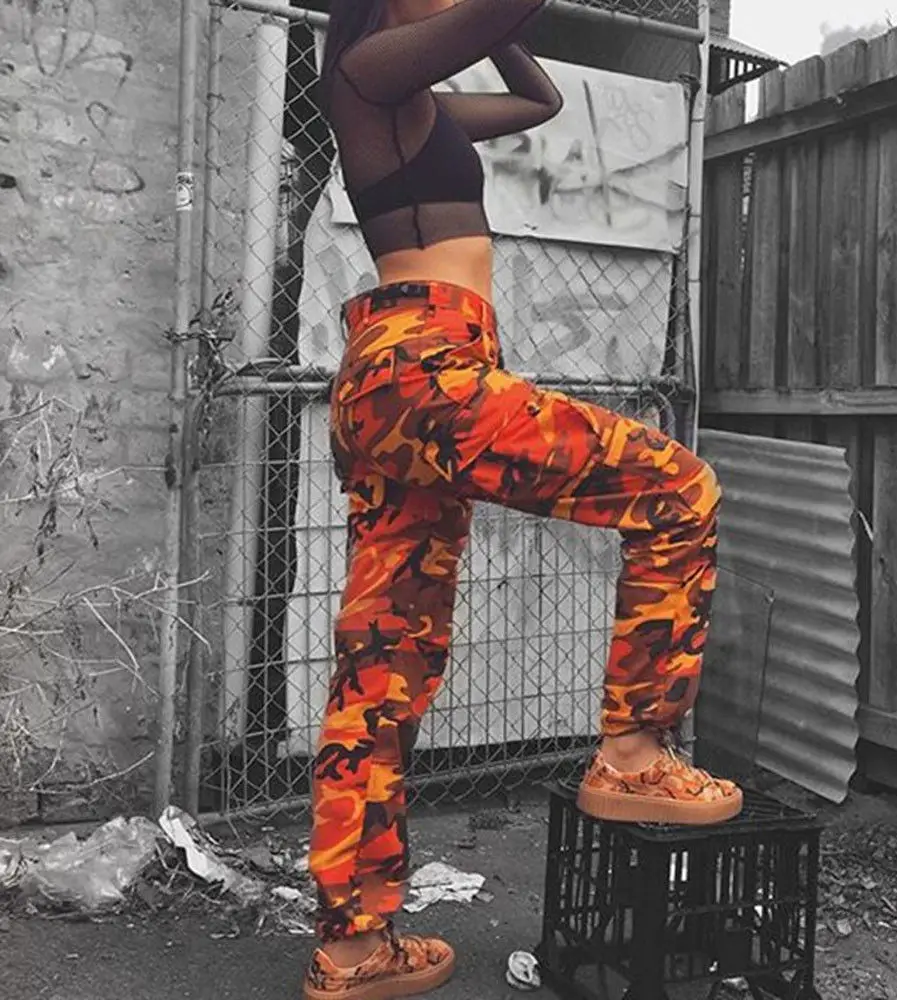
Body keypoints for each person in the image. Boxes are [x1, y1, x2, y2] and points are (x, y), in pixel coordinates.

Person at [305, 1, 742, 997]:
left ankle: (353, 950)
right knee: (678, 488)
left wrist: (489, 36)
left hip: (405, 378)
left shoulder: (419, 106)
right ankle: (633, 752)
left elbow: (538, 99)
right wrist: (485, 20)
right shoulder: (367, 73)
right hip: (425, 366)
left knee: (383, 669)